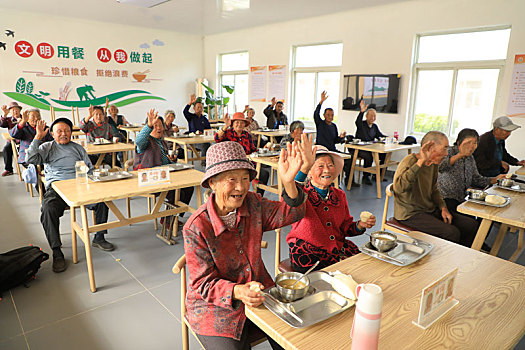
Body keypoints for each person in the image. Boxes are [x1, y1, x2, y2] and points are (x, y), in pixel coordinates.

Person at [183, 138, 309, 349]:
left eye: (245, 178)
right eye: (231, 179)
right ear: (212, 183)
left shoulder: (253, 203)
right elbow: (202, 284)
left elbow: (294, 212)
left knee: (291, 338)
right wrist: (238, 291)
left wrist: (289, 182)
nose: (240, 187)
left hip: (259, 293)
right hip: (214, 307)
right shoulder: (196, 227)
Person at [25, 117, 113, 273]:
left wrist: (94, 182)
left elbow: (89, 169)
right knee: (47, 209)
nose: (63, 134)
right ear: (52, 133)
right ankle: (57, 251)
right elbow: (30, 159)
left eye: (66, 130)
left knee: (103, 200)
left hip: (80, 184)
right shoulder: (47, 147)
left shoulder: (78, 148)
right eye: (59, 131)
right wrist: (38, 137)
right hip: (57, 188)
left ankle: (99, 237)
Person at [287, 144, 376, 273]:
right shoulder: (301, 195)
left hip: (336, 248)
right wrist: (304, 168)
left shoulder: (339, 195)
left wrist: (360, 225)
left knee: (361, 269)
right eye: (320, 166)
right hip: (308, 251)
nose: (327, 170)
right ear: (309, 173)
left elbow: (345, 227)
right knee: (320, 280)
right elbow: (291, 192)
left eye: (330, 166)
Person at [393, 131, 476, 247]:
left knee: (470, 225)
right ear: (431, 148)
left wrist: (443, 207)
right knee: (452, 233)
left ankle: (460, 256)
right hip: (410, 214)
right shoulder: (410, 161)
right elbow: (399, 188)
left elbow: (434, 189)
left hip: (429, 210)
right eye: (444, 148)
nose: (447, 154)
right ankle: (444, 261)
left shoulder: (434, 164)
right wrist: (420, 162)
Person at [438, 129, 505, 251]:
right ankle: (467, 246)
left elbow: (476, 179)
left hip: (462, 199)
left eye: (475, 143)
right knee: (469, 223)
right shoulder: (449, 152)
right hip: (445, 199)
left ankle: (476, 241)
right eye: (468, 142)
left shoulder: (470, 158)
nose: (472, 146)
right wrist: (460, 155)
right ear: (459, 142)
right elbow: (441, 166)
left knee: (486, 215)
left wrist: (494, 179)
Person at [134, 109, 194, 224]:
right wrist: (148, 126)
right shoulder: (146, 143)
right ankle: (167, 219)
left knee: (188, 188)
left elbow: (164, 161)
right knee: (177, 192)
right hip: (149, 179)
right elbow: (138, 141)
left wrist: (172, 161)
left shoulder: (161, 141)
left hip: (163, 177)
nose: (158, 128)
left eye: (160, 125)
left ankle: (173, 216)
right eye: (155, 126)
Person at [214, 112, 269, 195]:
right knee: (241, 177)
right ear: (232, 124)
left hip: (248, 163)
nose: (239, 124)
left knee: (264, 174)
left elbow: (253, 150)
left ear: (245, 125)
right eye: (237, 122)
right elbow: (217, 138)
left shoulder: (247, 135)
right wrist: (226, 125)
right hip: (232, 165)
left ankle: (258, 195)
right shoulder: (227, 134)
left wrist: (263, 150)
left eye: (242, 122)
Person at [313, 91, 356, 187]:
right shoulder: (320, 124)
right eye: (328, 115)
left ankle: (349, 181)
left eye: (332, 115)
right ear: (324, 115)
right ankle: (333, 184)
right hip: (323, 151)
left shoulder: (333, 126)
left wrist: (341, 137)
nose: (330, 117)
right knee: (333, 162)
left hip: (332, 150)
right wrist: (321, 102)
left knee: (350, 158)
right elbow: (316, 114)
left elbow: (335, 140)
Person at [355, 99, 387, 185]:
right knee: (368, 156)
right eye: (371, 116)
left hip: (370, 148)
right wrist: (361, 111)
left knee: (384, 154)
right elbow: (357, 122)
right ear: (366, 116)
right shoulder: (361, 124)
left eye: (374, 116)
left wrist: (389, 138)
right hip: (360, 149)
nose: (373, 118)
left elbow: (380, 136)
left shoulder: (374, 126)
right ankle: (366, 176)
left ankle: (378, 175)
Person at [183, 94, 212, 165]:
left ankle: (207, 161)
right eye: (198, 107)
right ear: (194, 108)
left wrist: (203, 133)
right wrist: (190, 102)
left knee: (208, 144)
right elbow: (185, 112)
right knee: (206, 145)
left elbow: (209, 129)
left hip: (202, 139)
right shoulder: (191, 117)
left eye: (201, 107)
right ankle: (204, 161)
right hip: (192, 141)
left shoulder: (204, 119)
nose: (200, 109)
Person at [1, 102, 22, 176]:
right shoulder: (8, 119)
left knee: (23, 151)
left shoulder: (24, 118)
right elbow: (2, 124)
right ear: (10, 112)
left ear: (20, 110)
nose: (15, 111)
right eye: (12, 110)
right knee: (6, 149)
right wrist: (4, 115)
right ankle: (9, 169)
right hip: (12, 140)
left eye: (16, 110)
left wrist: (22, 122)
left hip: (22, 140)